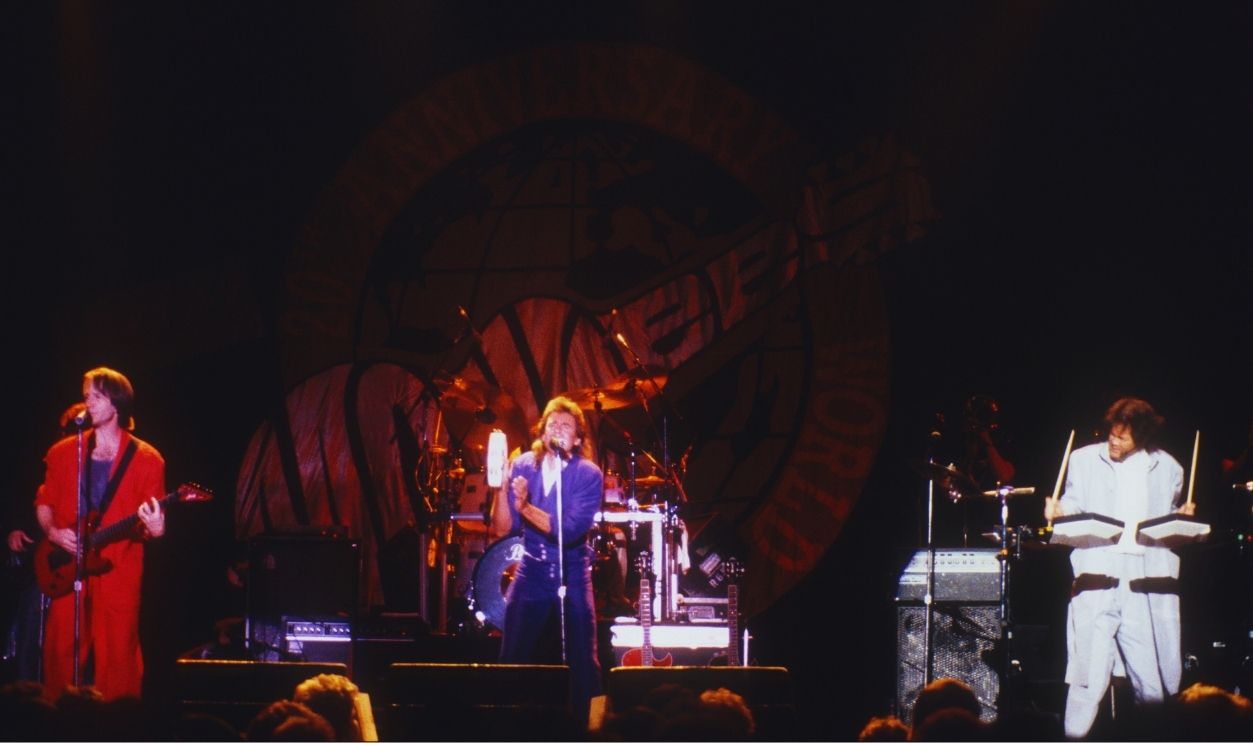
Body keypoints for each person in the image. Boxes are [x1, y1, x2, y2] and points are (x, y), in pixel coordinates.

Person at [1042, 396, 1195, 739]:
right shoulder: (1082, 459)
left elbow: (1166, 521)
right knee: (1087, 678)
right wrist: (1059, 510)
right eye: (1112, 433)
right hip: (1099, 576)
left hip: (1142, 582)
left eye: (1123, 438)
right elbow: (1074, 503)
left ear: (1142, 439)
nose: (1114, 441)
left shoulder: (1168, 467)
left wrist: (1181, 519)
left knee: (1150, 681)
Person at [35, 367, 167, 700]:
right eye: (86, 396)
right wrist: (53, 532)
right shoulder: (63, 452)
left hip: (118, 566)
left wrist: (156, 529)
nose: (87, 403)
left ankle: (117, 725)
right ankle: (56, 721)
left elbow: (148, 525)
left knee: (119, 651)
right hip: (67, 562)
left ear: (117, 401)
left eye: (96, 396)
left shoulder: (148, 460)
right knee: (60, 648)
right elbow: (44, 502)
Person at [491, 395, 603, 724]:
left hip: (572, 571)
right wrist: (499, 486)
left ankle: (590, 726)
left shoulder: (588, 474)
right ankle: (504, 725)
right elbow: (502, 527)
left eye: (566, 425)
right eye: (552, 423)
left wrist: (525, 507)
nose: (557, 428)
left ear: (578, 439)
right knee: (512, 654)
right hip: (532, 570)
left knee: (584, 658)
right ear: (541, 431)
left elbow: (568, 530)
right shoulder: (525, 464)